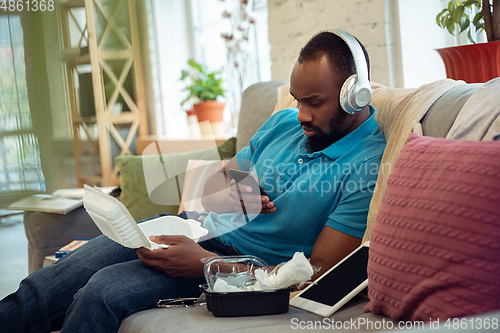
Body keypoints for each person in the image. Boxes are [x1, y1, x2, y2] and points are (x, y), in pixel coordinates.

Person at [0, 30, 386, 333]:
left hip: (236, 265)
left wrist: (208, 264)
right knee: (49, 283)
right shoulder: (284, 124)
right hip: (194, 227)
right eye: (296, 99)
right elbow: (225, 174)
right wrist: (236, 193)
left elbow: (317, 273)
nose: (300, 114)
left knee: (100, 292)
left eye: (314, 102)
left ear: (355, 94)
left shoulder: (366, 164)